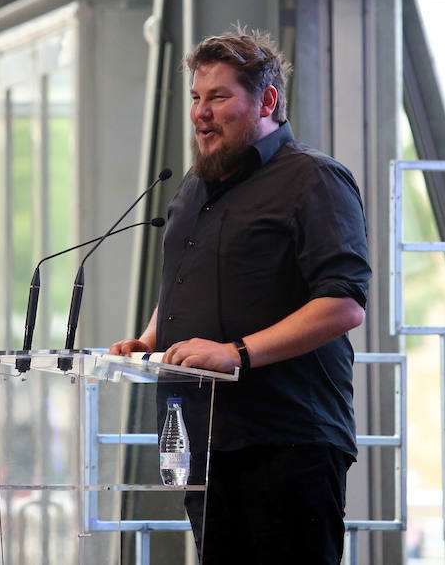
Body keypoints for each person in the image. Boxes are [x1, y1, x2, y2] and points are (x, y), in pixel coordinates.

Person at [109, 29, 371, 564]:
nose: (200, 113)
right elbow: (184, 278)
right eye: (195, 98)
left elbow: (344, 303)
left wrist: (237, 352)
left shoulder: (314, 180)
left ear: (267, 101)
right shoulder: (192, 188)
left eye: (219, 97)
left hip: (285, 440)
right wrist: (152, 339)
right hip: (201, 438)